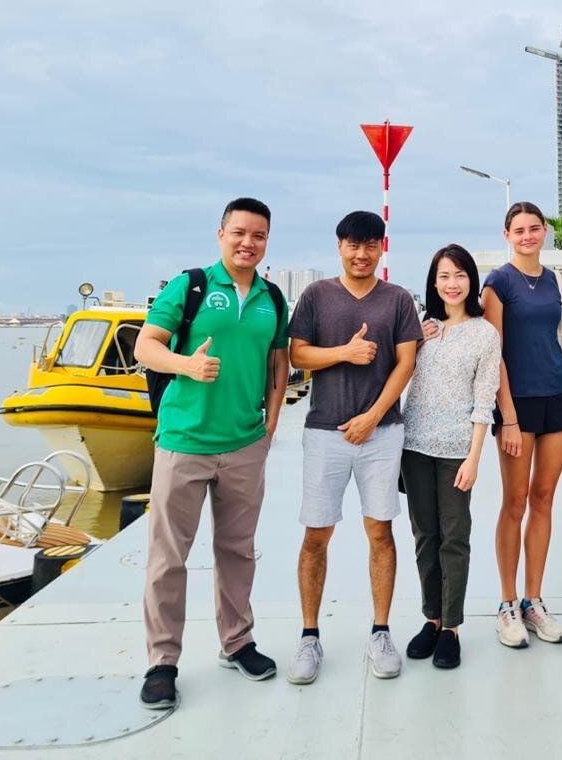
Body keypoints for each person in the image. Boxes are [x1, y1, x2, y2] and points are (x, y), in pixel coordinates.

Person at [134, 197, 289, 709]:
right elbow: (145, 346)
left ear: (267, 242)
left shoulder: (272, 298)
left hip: (244, 444)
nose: (248, 243)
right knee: (168, 557)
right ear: (221, 234)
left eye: (258, 235)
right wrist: (185, 365)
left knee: (237, 551)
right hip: (184, 442)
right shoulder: (191, 285)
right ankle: (162, 661)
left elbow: (278, 364)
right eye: (239, 232)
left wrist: (269, 427)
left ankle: (237, 642)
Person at [285, 211, 423, 682]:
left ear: (381, 248)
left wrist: (372, 417)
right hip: (324, 432)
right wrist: (344, 352)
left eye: (370, 245)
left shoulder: (398, 299)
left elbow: (406, 363)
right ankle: (309, 636)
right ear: (339, 247)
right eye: (352, 245)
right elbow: (297, 353)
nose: (361, 254)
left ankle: (380, 631)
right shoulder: (316, 295)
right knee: (315, 535)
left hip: (382, 434)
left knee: (380, 532)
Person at [400, 245, 501, 669]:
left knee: (454, 537)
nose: (452, 284)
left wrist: (474, 458)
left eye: (459, 275)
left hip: (457, 450)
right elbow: (397, 375)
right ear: (433, 282)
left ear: (471, 280)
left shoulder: (484, 334)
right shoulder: (422, 328)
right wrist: (414, 343)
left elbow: (484, 400)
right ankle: (432, 617)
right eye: (444, 276)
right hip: (414, 447)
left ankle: (452, 628)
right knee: (425, 536)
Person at [482, 201, 562, 648]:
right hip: (517, 403)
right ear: (507, 235)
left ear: (544, 232)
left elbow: (559, 332)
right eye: (518, 230)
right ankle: (507, 603)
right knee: (515, 501)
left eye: (534, 228)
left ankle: (533, 601)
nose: (527, 236)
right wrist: (509, 417)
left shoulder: (555, 280)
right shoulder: (498, 282)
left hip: (559, 396)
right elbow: (494, 351)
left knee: (543, 499)